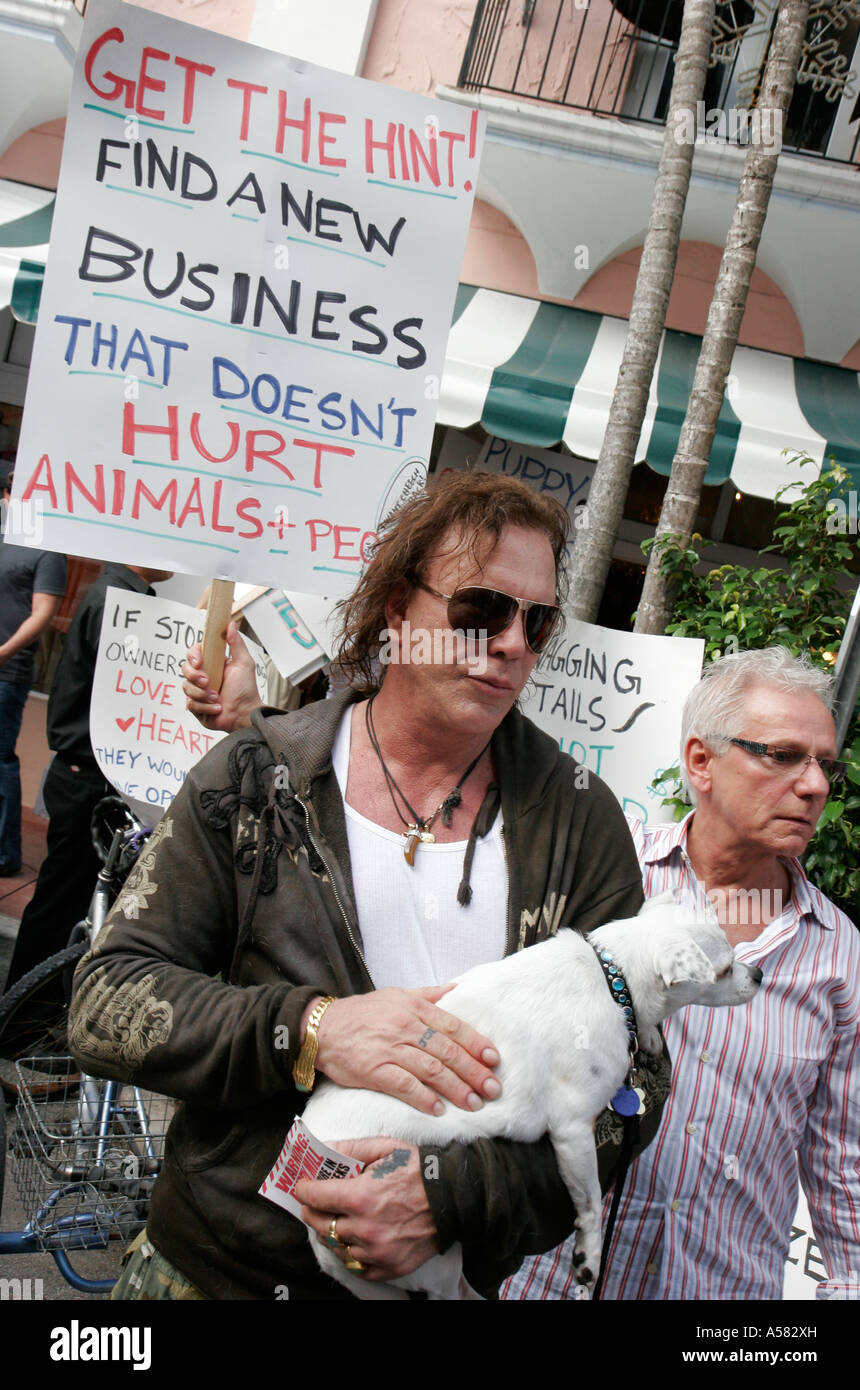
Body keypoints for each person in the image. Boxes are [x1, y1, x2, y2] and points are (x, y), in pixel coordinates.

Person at [68, 472, 671, 1301]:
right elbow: (108, 1004)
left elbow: (635, 1082)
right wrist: (311, 1030)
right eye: (480, 610)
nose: (509, 644)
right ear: (397, 609)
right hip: (217, 1274)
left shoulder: (577, 821)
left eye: (535, 623)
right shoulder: (255, 779)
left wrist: (448, 1197)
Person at [503, 647, 860, 1301]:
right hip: (545, 1280)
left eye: (824, 765)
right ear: (701, 761)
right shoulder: (608, 875)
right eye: (783, 756)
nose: (813, 786)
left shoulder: (840, 958)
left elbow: (845, 1162)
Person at [2, 561, 172, 992]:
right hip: (86, 773)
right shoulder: (118, 601)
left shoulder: (120, 595)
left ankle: (35, 1014)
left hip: (90, 771)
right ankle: (24, 1023)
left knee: (76, 898)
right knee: (62, 902)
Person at [0, 467, 67, 877]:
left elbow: (43, 613)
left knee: (0, 759)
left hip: (8, 671)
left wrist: (4, 651)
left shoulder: (48, 551)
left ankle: (5, 854)